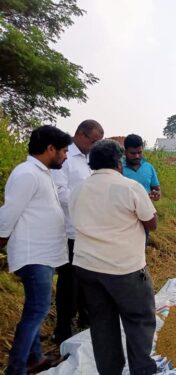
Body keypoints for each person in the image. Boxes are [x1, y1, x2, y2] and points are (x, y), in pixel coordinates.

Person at [70, 140, 158, 375]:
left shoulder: (78, 189)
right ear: (118, 162)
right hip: (124, 269)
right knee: (139, 319)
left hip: (87, 267)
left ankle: (110, 371)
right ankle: (142, 370)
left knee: (102, 322)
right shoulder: (129, 187)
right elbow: (152, 222)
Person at [0, 125, 72, 375]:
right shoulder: (27, 174)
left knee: (36, 307)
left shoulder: (42, 173)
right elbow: (8, 213)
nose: (65, 156)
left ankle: (35, 359)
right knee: (38, 309)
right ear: (50, 149)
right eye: (63, 150)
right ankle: (17, 367)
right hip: (33, 254)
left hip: (44, 252)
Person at [51, 119, 104, 345]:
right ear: (80, 135)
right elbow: (60, 192)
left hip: (87, 228)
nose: (94, 146)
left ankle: (86, 317)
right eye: (93, 141)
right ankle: (63, 328)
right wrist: (85, 204)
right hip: (70, 229)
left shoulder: (88, 159)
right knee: (69, 281)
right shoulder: (65, 158)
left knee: (88, 277)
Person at [122, 134, 161, 201]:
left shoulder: (148, 167)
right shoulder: (119, 169)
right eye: (133, 153)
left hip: (147, 210)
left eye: (139, 152)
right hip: (125, 210)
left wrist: (156, 194)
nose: (137, 156)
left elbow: (157, 189)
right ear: (125, 152)